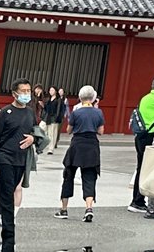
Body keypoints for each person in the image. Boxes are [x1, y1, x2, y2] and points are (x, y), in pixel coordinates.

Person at [0, 80, 37, 252]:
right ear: (14, 93)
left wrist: (33, 138)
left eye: (28, 90)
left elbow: (35, 132)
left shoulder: (30, 112)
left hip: (21, 160)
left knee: (6, 195)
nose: (27, 94)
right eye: (23, 91)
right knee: (7, 199)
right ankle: (9, 240)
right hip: (5, 159)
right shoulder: (5, 113)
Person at [54, 85, 103, 223]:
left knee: (68, 175)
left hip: (77, 145)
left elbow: (69, 130)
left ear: (80, 98)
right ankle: (89, 208)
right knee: (89, 177)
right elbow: (101, 131)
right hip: (92, 145)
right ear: (93, 98)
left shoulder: (76, 113)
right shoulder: (98, 113)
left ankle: (63, 209)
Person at [130, 74, 154, 215]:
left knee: (142, 168)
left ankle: (138, 200)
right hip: (149, 136)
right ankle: (138, 201)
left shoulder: (146, 98)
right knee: (146, 169)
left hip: (141, 136)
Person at [42, 86, 64, 156]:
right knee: (41, 128)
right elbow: (46, 108)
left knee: (52, 134)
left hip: (54, 118)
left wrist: (57, 118)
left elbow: (59, 110)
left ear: (55, 91)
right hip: (47, 117)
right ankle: (42, 145)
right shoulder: (48, 99)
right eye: (50, 90)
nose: (51, 91)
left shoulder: (58, 99)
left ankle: (50, 149)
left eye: (52, 90)